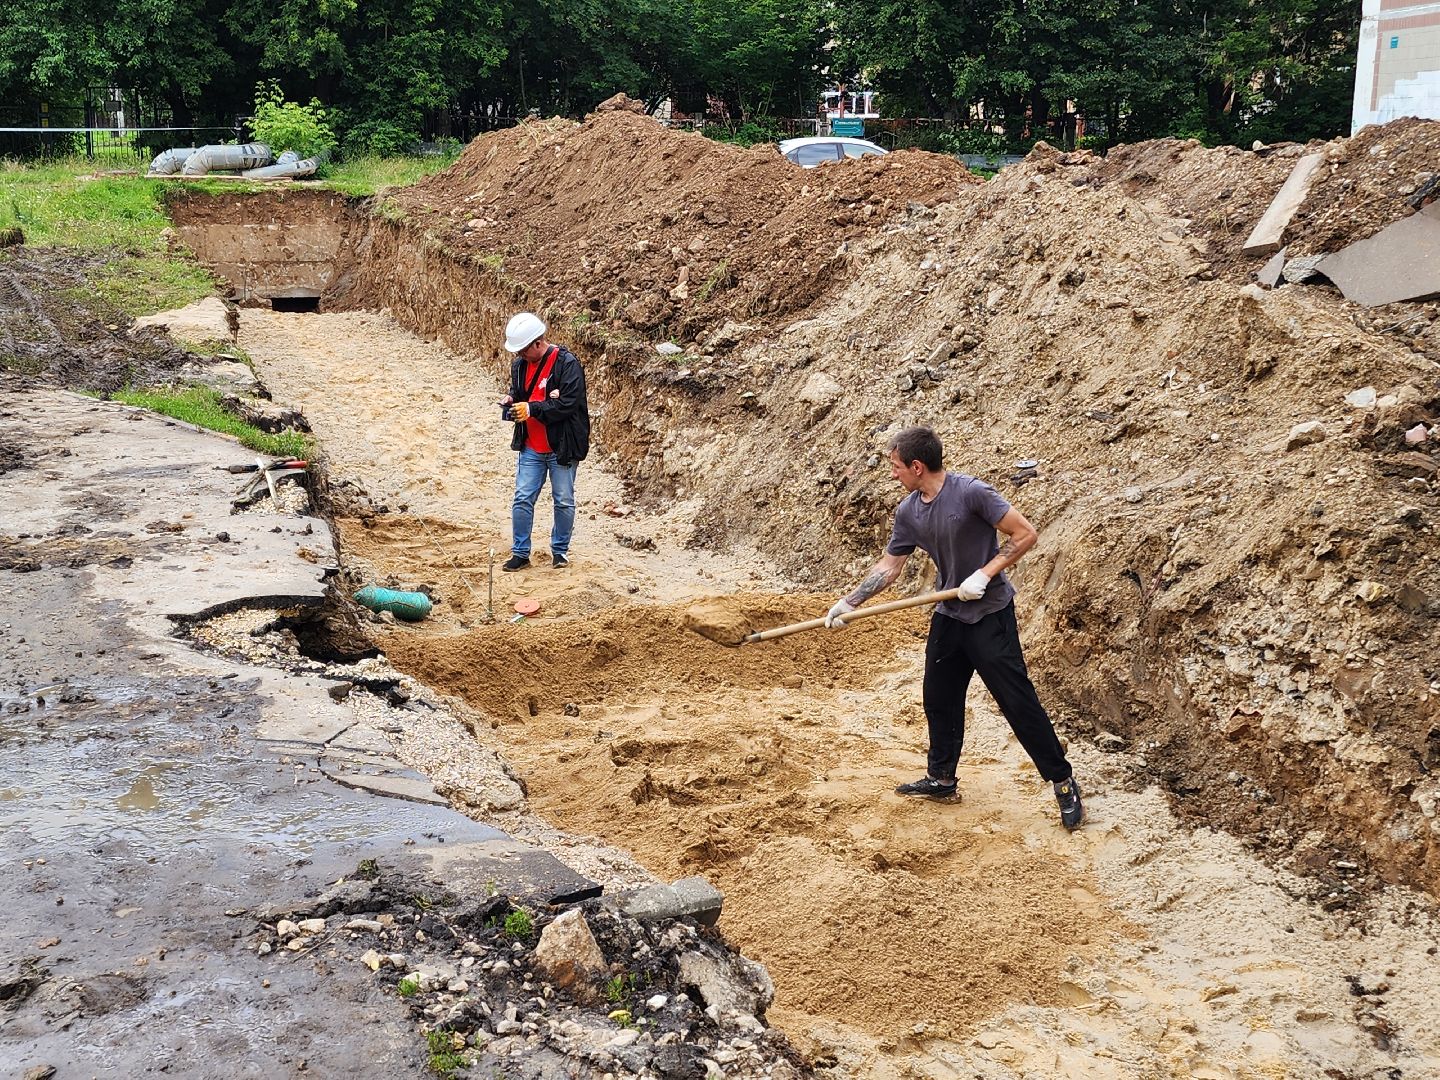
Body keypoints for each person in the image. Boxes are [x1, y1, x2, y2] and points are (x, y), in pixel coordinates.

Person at [825, 425, 1084, 830]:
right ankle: (942, 779)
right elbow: (890, 566)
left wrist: (984, 574)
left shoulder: (972, 493)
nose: (892, 474)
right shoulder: (909, 511)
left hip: (990, 614)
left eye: (896, 466)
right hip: (949, 614)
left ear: (916, 466)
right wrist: (850, 602)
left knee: (1016, 701)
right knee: (939, 697)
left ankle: (1062, 780)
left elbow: (1024, 533)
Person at [498, 312, 590, 571]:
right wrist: (511, 400)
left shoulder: (567, 364)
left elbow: (568, 404)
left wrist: (532, 409)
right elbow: (520, 393)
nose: (519, 355)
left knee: (563, 500)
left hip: (561, 447)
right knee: (522, 498)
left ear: (538, 343)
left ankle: (560, 552)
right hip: (531, 445)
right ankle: (520, 553)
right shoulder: (519, 366)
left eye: (522, 350)